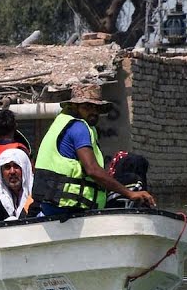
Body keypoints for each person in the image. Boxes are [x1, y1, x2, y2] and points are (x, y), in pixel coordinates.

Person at [33, 83, 157, 215]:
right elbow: (92, 170)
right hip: (68, 207)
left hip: (52, 204)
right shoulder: (79, 127)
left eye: (97, 108)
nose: (93, 112)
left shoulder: (61, 122)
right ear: (74, 106)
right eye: (87, 106)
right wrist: (130, 193)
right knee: (131, 183)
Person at [0, 147, 34, 220]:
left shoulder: (36, 192)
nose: (12, 172)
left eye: (16, 166)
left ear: (25, 168)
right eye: (7, 167)